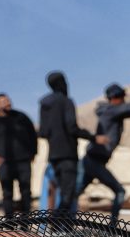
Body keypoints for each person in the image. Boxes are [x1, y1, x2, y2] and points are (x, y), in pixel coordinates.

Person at [78, 83, 130, 218]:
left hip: (93, 161)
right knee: (120, 192)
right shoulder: (110, 110)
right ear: (115, 98)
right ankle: (111, 229)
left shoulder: (111, 112)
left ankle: (59, 224)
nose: (124, 101)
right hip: (94, 161)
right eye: (122, 98)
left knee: (74, 193)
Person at [38, 71, 106, 212]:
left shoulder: (44, 104)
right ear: (62, 83)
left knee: (59, 192)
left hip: (53, 155)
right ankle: (59, 227)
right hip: (68, 154)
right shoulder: (66, 101)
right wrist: (94, 138)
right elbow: (72, 128)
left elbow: (43, 132)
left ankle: (59, 226)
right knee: (67, 194)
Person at [0, 92, 38, 216]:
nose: (8, 103)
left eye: (8, 100)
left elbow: (33, 135)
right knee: (7, 193)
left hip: (23, 161)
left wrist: (33, 153)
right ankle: (9, 224)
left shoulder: (21, 117)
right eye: (4, 102)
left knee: (26, 192)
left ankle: (26, 223)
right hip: (4, 163)